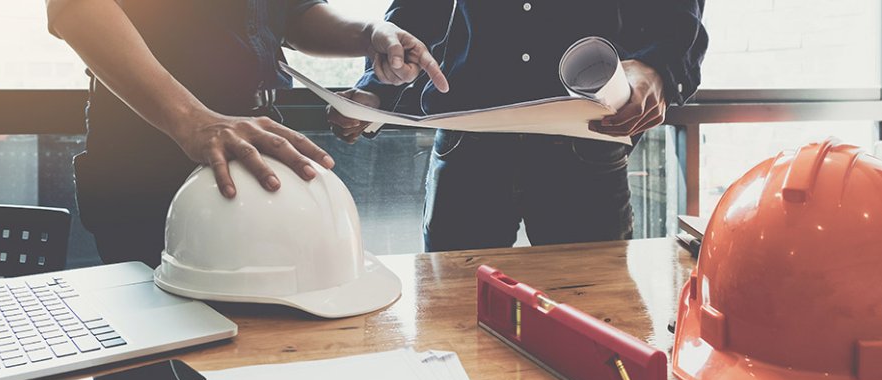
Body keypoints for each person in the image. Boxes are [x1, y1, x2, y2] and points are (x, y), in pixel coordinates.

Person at [45, 0, 449, 266]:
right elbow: (76, 7)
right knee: (149, 352)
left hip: (258, 135)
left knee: (261, 339)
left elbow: (291, 11)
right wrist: (192, 120)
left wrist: (370, 34)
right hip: (149, 142)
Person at [328, 1, 708, 252]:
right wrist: (375, 89)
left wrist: (661, 67)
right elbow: (419, 9)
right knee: (453, 322)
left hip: (585, 141)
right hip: (470, 146)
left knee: (593, 322)